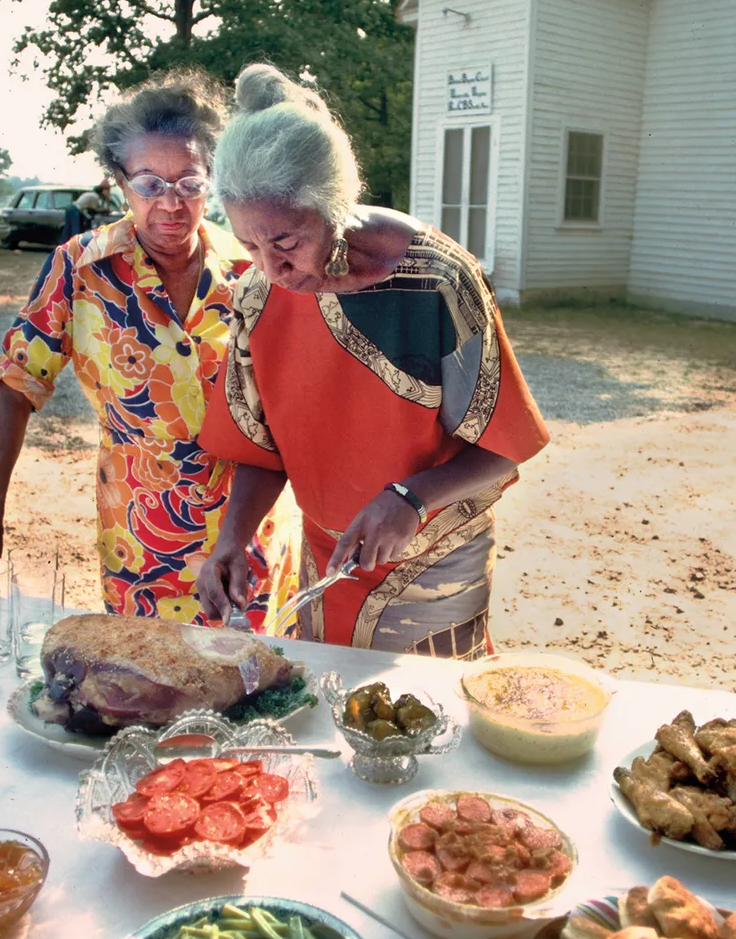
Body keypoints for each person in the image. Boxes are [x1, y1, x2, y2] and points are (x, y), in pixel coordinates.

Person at [196, 64, 549, 657]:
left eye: (285, 242)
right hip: (326, 560)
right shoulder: (258, 296)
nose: (270, 268)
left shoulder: (436, 281)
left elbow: (503, 443)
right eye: (249, 245)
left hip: (432, 559)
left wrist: (409, 498)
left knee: (423, 724)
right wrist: (232, 539)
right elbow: (260, 447)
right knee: (324, 715)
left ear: (335, 204)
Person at [0, 70, 272, 621]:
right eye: (149, 183)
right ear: (119, 183)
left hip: (248, 538)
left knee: (251, 691)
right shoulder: (79, 269)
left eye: (189, 183)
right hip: (140, 543)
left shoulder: (254, 270)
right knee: (142, 689)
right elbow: (15, 388)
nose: (171, 203)